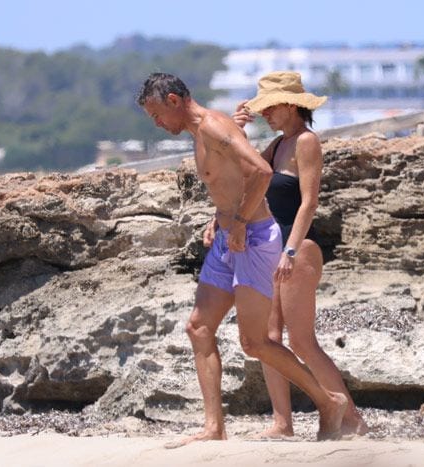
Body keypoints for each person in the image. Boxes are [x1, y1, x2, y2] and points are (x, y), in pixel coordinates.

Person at [135, 72, 347, 446]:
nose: (155, 124)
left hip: (254, 237)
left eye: (155, 114)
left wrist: (240, 222)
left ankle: (328, 403)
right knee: (198, 328)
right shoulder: (206, 131)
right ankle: (214, 428)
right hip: (228, 238)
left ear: (172, 100)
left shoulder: (214, 126)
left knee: (256, 342)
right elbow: (233, 177)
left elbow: (261, 172)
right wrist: (218, 219)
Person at [225, 71, 368, 438]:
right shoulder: (276, 145)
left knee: (302, 341)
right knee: (269, 339)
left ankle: (351, 418)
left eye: (269, 107)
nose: (266, 114)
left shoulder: (306, 141)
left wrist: (289, 251)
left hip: (298, 248)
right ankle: (282, 423)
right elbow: (245, 176)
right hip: (272, 248)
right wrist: (236, 130)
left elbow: (310, 202)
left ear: (290, 105)